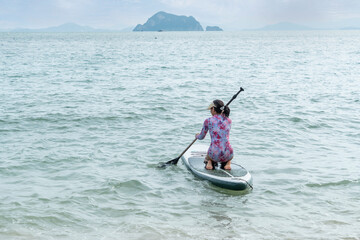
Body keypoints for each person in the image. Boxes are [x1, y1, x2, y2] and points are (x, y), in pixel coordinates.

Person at [195, 99, 233, 170]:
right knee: (225, 153)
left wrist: (196, 136)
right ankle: (228, 163)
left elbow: (201, 137)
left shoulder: (208, 120)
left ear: (213, 109)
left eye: (210, 109)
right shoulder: (229, 120)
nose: (210, 111)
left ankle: (209, 162)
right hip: (228, 153)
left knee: (209, 155)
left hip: (214, 154)